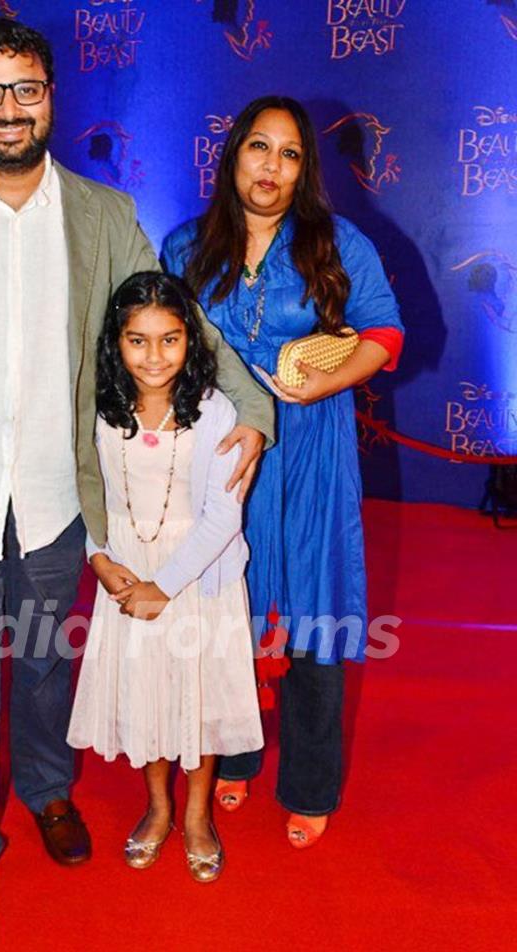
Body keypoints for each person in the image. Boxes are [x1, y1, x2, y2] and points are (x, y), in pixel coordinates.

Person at [0, 17, 273, 943]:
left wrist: (251, 406)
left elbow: (177, 322)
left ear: (51, 95)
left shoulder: (102, 214)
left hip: (58, 499)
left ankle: (46, 792)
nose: (10, 109)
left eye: (26, 89)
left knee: (44, 663)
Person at [162, 95, 404, 849]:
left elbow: (385, 333)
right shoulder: (184, 247)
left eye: (289, 153)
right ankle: (233, 753)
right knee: (220, 607)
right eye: (258, 148)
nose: (271, 167)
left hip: (312, 449)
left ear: (305, 170)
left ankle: (308, 782)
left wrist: (323, 384)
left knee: (313, 607)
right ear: (232, 155)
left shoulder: (338, 244)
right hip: (217, 452)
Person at [67, 272, 263, 883]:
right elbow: (85, 490)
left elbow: (223, 515)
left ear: (191, 341)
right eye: (138, 340)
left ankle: (198, 817)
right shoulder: (98, 406)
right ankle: (157, 809)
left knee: (194, 701)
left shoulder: (214, 411)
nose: (155, 357)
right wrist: (98, 556)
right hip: (125, 572)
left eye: (170, 340)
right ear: (115, 343)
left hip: (198, 577)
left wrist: (165, 587)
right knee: (147, 698)